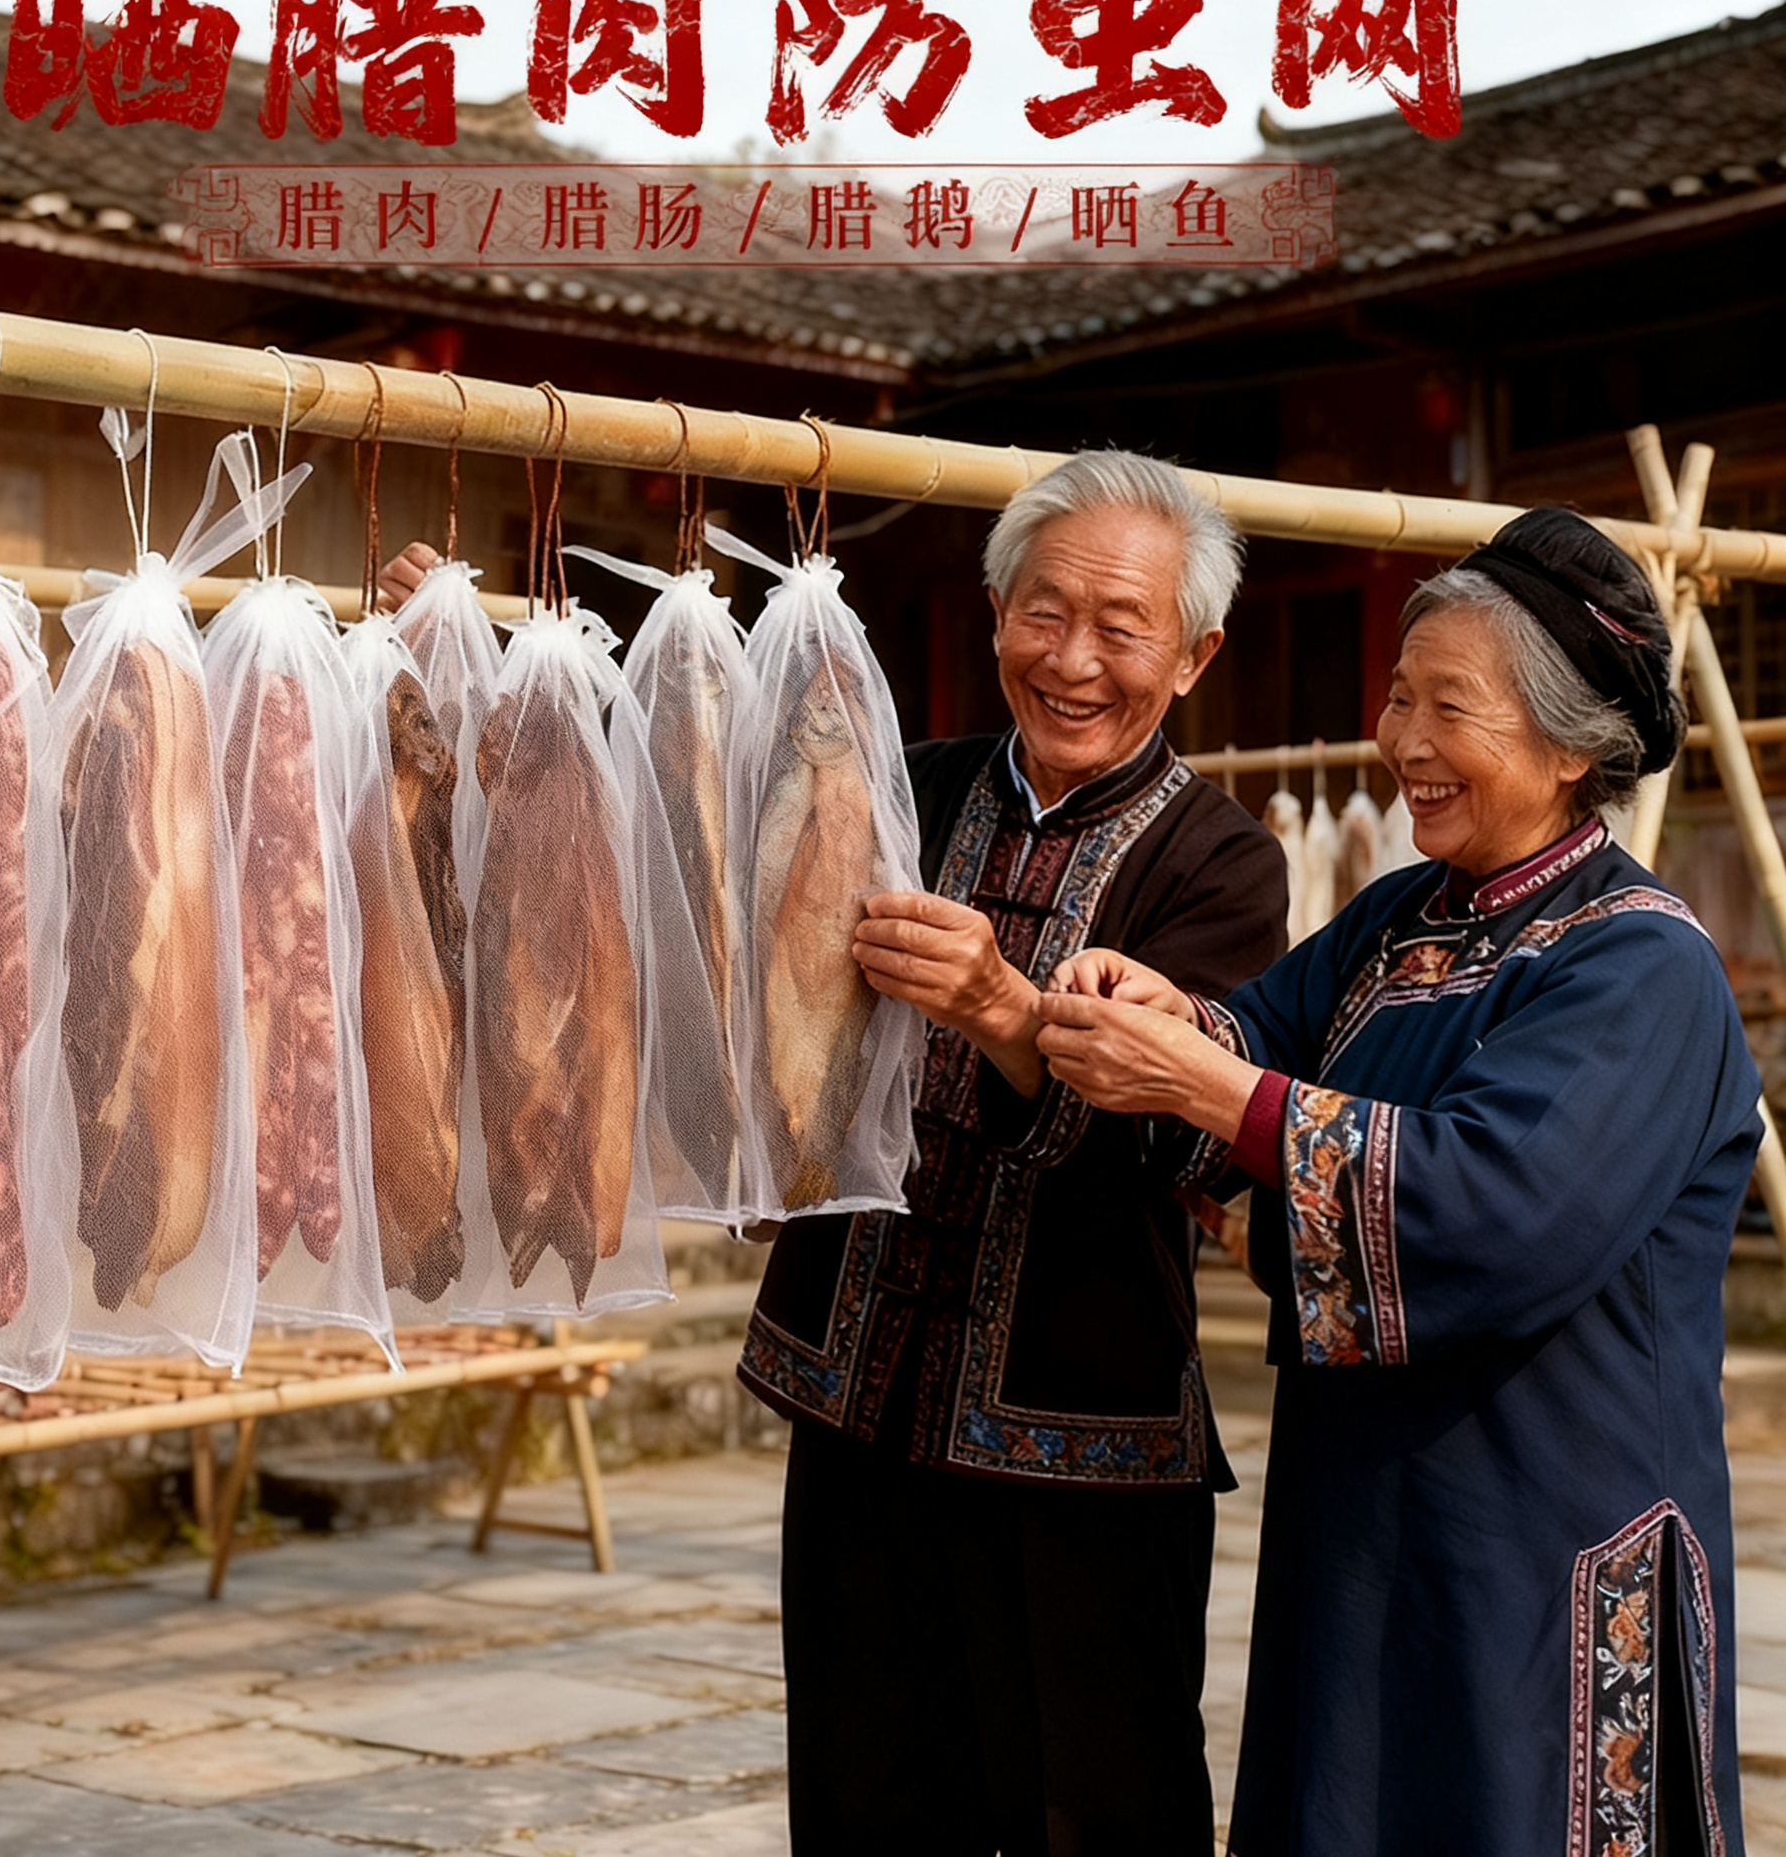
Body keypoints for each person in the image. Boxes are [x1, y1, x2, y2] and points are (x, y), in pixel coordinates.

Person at [1036, 507, 1760, 1857]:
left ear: (1569, 745)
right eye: (1398, 695)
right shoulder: (1398, 917)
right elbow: (1257, 1035)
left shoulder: (1642, 965)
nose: (1402, 740)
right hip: (1367, 1523)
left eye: (1448, 707)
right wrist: (1165, 1015)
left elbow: (1492, 1204)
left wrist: (1204, 1083)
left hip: (1551, 1536)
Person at [732, 451, 1289, 1856]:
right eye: (1045, 613)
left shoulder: (1222, 862)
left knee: (1095, 1814)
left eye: (1122, 627)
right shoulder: (903, 791)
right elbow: (713, 866)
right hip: (861, 1412)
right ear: (995, 616)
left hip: (1084, 1450)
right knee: (863, 1807)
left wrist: (1001, 1007)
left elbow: (1178, 1137)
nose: (1074, 660)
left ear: (1194, 656)